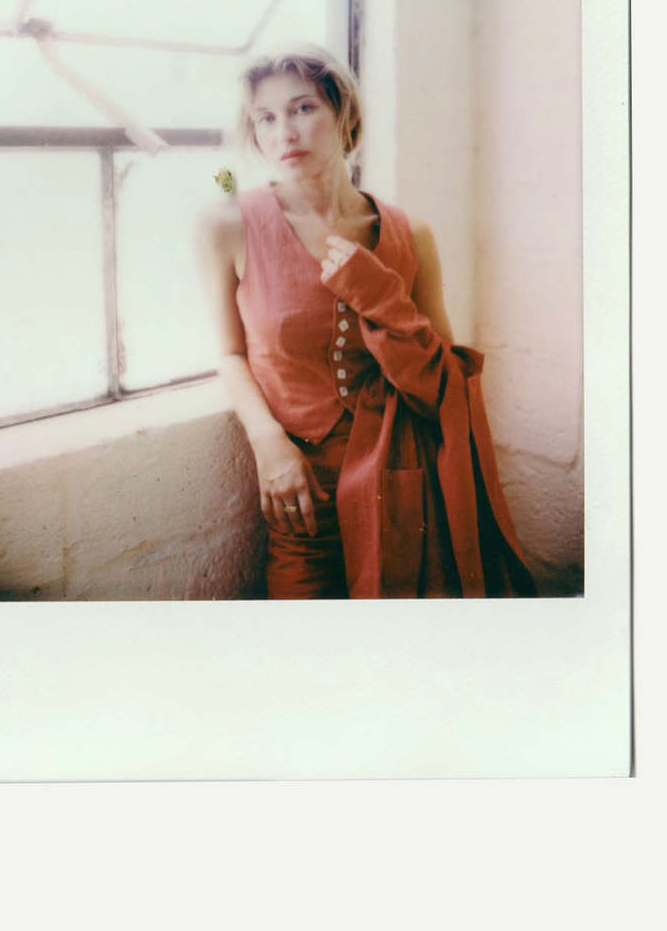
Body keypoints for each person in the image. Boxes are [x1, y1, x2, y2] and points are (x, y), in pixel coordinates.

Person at [195, 43, 536, 599]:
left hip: (403, 488)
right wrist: (268, 443)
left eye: (304, 108)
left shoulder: (411, 234)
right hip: (302, 496)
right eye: (266, 118)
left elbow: (445, 383)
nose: (285, 132)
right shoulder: (227, 224)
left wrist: (379, 296)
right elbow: (231, 354)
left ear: (343, 113)